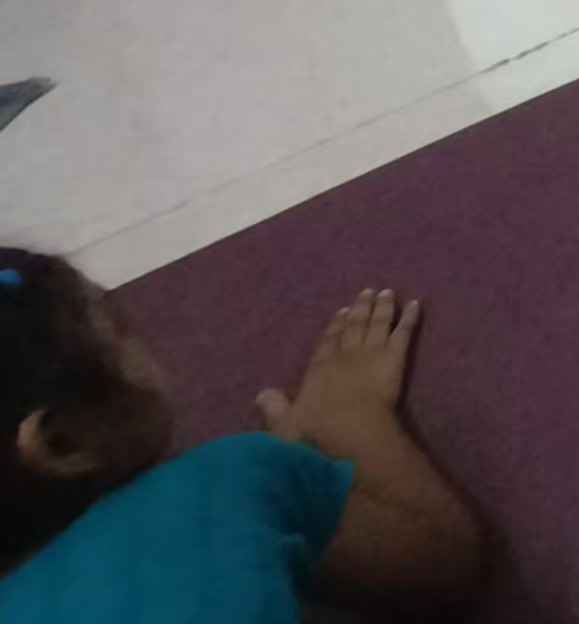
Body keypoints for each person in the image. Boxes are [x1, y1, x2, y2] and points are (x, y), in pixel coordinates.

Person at [0, 255, 483, 623]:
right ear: (63, 443)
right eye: (120, 331)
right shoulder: (222, 486)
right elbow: (443, 565)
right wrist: (346, 420)